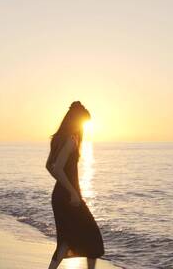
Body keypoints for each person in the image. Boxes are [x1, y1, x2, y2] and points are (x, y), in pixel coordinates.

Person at [45, 101, 104, 269]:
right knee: (93, 239)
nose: (83, 127)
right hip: (69, 196)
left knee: (65, 240)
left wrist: (63, 185)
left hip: (59, 196)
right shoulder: (71, 139)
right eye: (83, 123)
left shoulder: (57, 138)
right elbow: (57, 168)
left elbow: (49, 166)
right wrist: (72, 192)